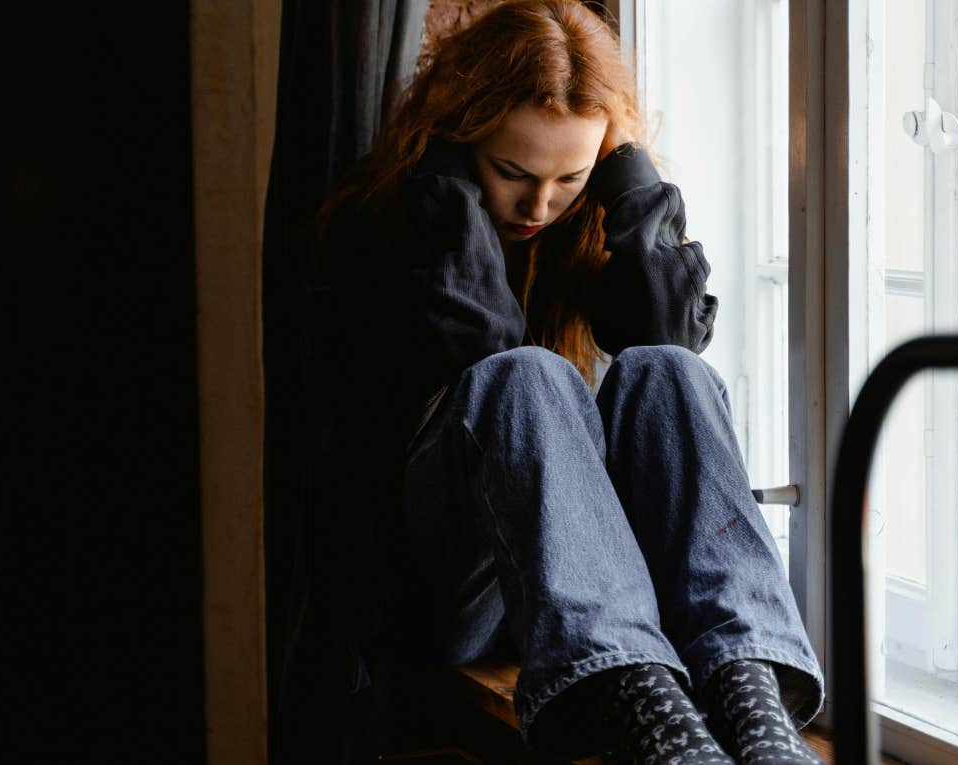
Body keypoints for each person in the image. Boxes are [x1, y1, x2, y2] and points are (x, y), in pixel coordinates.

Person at [316, 2, 823, 762]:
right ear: (458, 141)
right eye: (511, 171)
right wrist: (451, 198)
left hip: (586, 592)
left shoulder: (584, 221)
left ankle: (752, 700)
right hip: (455, 595)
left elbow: (669, 340)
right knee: (524, 376)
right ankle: (651, 713)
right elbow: (481, 357)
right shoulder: (382, 228)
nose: (540, 205)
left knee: (670, 370)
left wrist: (630, 181)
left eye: (571, 176)